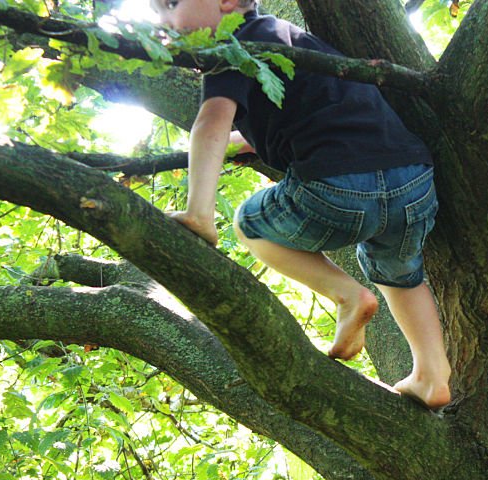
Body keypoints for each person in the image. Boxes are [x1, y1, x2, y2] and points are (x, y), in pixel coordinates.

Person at [153, 0, 451, 409]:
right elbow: (312, 111)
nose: (163, 20)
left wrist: (198, 212)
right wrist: (252, 141)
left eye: (170, 4)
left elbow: (210, 121)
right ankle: (431, 375)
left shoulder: (233, 49)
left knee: (251, 222)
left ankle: (346, 294)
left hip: (340, 186)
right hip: (412, 180)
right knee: (401, 274)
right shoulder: (290, 39)